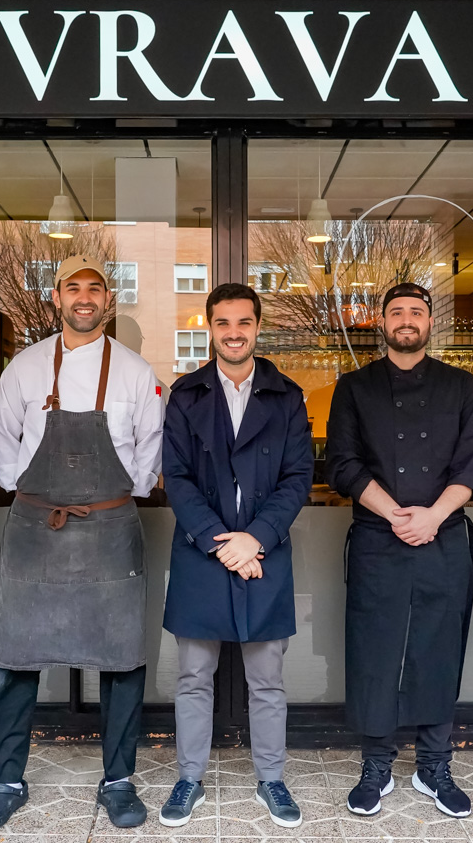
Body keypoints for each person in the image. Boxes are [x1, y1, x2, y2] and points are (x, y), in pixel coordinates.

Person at [0, 255, 164, 832]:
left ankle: (120, 781)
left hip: (111, 529)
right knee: (15, 660)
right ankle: (3, 781)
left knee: (123, 661)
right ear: (56, 298)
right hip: (35, 529)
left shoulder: (134, 371)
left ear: (109, 300)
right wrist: (26, 490)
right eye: (72, 288)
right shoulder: (24, 369)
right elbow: (1, 439)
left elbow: (151, 449)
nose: (84, 297)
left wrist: (125, 492)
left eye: (95, 289)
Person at [326, 282, 473, 819]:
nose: (406, 320)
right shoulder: (354, 386)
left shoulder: (462, 386)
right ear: (382, 322)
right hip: (378, 536)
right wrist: (396, 514)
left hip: (444, 535)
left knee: (438, 647)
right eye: (396, 312)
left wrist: (433, 516)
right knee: (376, 649)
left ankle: (434, 764)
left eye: (415, 312)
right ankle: (376, 763)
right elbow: (343, 465)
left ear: (429, 322)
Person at [159, 283, 313, 829]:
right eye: (223, 323)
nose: (233, 332)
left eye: (243, 322)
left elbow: (299, 477)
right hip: (203, 552)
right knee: (194, 676)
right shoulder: (185, 395)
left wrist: (257, 539)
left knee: (267, 680)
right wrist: (223, 544)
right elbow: (175, 477)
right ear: (210, 327)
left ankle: (272, 780)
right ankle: (188, 780)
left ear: (257, 326)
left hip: (263, 554)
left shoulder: (287, 396)